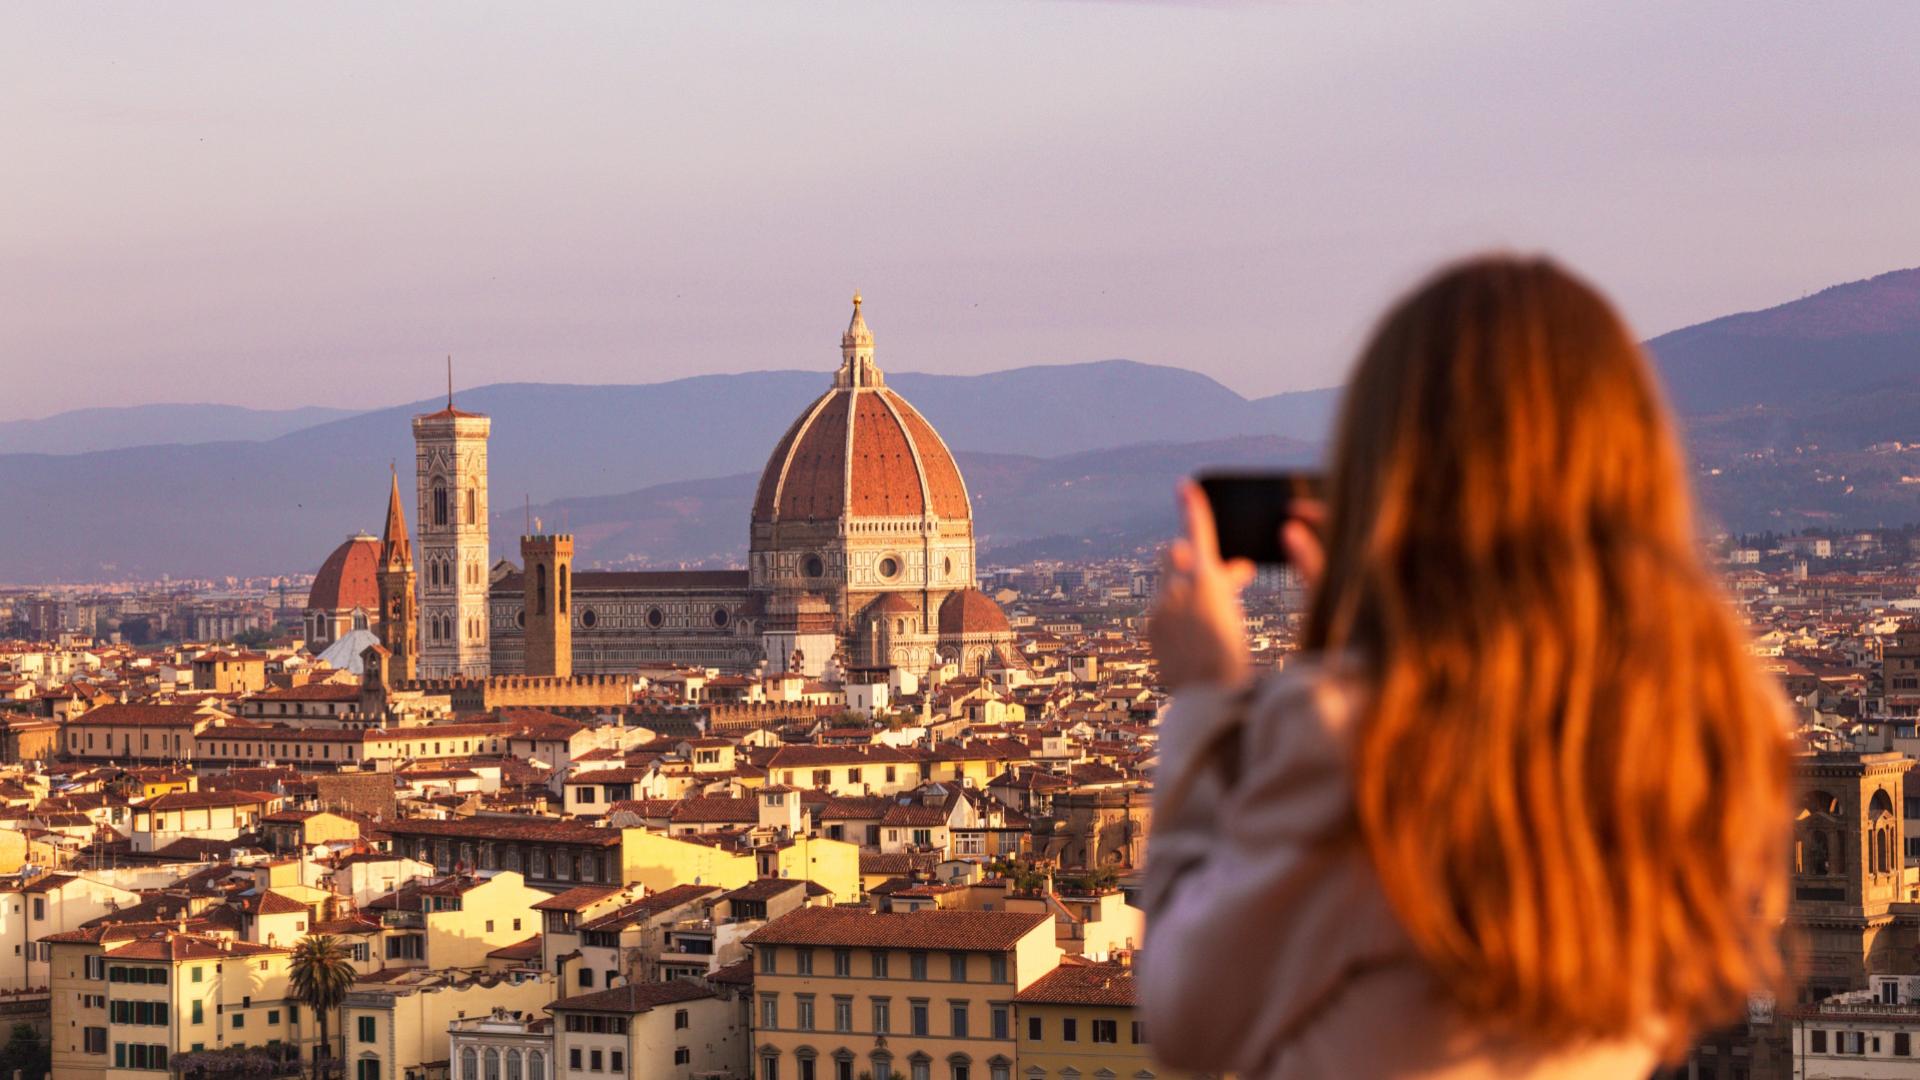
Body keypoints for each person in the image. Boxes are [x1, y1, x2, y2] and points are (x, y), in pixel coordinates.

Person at [1142, 255, 1791, 1078]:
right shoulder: (1717, 730)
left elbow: (1186, 1021)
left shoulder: (1356, 739)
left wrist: (1206, 698)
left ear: (1394, 471)